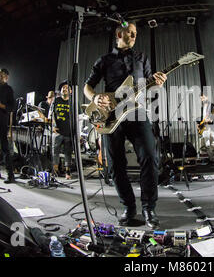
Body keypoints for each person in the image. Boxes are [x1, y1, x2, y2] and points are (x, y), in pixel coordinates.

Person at [84, 22, 167, 229]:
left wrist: (156, 82)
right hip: (111, 115)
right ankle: (129, 207)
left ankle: (149, 208)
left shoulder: (142, 58)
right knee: (114, 165)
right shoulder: (104, 60)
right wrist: (95, 98)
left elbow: (148, 86)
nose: (133, 36)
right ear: (119, 33)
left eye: (135, 33)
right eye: (130, 33)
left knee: (150, 155)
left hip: (137, 112)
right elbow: (88, 86)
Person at [52, 81, 73, 180]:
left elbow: (79, 117)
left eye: (66, 88)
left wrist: (77, 132)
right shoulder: (56, 100)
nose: (64, 89)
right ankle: (55, 171)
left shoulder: (73, 102)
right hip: (57, 131)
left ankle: (67, 172)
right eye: (63, 88)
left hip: (69, 132)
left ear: (71, 91)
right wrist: (52, 126)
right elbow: (51, 115)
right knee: (55, 151)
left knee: (68, 153)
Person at [199, 95, 214, 164]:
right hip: (205, 127)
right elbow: (201, 117)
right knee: (207, 144)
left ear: (207, 97)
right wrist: (199, 124)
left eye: (203, 97)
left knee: (213, 143)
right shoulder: (202, 107)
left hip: (212, 126)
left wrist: (210, 119)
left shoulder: (213, 105)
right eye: (201, 98)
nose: (202, 99)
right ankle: (212, 159)